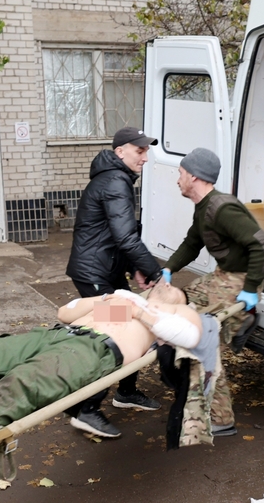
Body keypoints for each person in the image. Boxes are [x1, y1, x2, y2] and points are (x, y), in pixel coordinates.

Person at [0, 283, 210, 436]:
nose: (167, 283)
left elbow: (190, 336)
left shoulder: (171, 313)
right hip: (57, 335)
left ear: (180, 302)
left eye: (175, 289)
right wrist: (107, 297)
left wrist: (142, 313)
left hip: (92, 349)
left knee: (25, 383)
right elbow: (65, 313)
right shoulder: (125, 303)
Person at [163, 147, 264, 437]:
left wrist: (250, 290)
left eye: (181, 174)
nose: (178, 179)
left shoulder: (222, 208)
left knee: (201, 338)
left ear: (195, 177)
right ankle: (239, 323)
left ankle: (221, 416)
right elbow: (192, 242)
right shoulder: (203, 208)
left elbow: (262, 245)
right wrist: (168, 270)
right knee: (179, 299)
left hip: (239, 279)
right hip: (223, 275)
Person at [65, 126, 166, 438]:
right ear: (120, 151)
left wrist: (136, 269)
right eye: (140, 151)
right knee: (111, 333)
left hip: (106, 269)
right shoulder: (114, 180)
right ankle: (86, 409)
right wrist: (156, 274)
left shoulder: (113, 177)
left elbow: (114, 235)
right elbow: (126, 237)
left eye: (147, 151)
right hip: (94, 275)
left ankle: (126, 391)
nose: (145, 157)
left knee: (130, 325)